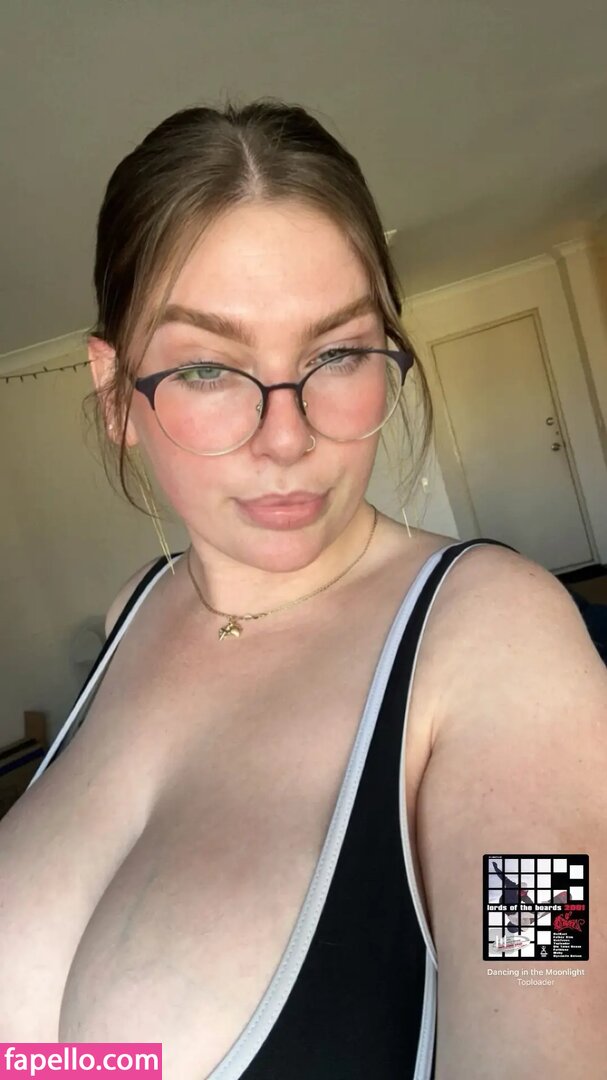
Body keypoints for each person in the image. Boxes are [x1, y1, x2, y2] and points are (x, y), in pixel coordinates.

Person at [0, 98, 606, 1079]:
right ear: (115, 395)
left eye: (338, 354)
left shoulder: (500, 634)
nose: (287, 437)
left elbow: (545, 969)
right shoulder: (132, 615)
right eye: (208, 367)